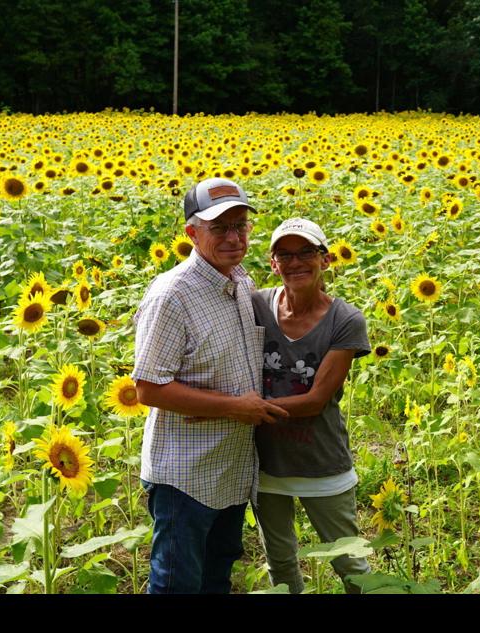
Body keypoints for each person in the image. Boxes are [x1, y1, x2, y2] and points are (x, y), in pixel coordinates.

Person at [131, 177, 288, 594]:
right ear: (192, 233)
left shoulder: (240, 281)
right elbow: (149, 388)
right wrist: (236, 407)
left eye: (241, 226)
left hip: (231, 468)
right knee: (177, 583)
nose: (234, 238)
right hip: (186, 473)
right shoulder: (173, 296)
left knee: (217, 577)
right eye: (220, 228)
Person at [251, 217, 374, 594]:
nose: (295, 262)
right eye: (284, 254)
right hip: (265, 462)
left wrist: (244, 409)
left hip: (321, 461)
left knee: (349, 561)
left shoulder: (345, 320)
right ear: (272, 263)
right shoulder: (255, 305)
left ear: (326, 259)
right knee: (280, 561)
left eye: (307, 252)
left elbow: (316, 401)